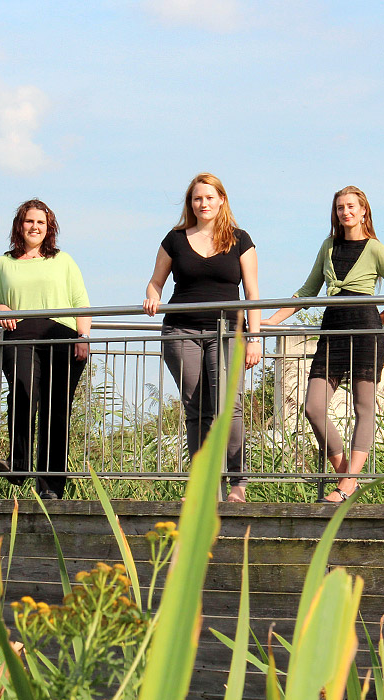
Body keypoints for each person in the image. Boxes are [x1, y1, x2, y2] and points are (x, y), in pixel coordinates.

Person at [265, 186, 384, 503]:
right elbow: (307, 291)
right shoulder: (328, 246)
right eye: (340, 207)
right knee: (313, 407)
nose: (345, 212)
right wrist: (271, 321)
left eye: (351, 206)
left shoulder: (375, 249)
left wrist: (377, 320)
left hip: (365, 334)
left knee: (363, 408)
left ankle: (347, 484)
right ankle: (348, 477)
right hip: (332, 333)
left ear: (363, 211)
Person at [143, 173, 261, 503]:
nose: (203, 203)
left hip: (227, 333)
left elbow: (252, 293)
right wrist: (152, 297)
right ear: (190, 203)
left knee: (229, 405)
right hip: (181, 331)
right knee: (196, 408)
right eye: (197, 198)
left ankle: (238, 482)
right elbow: (155, 282)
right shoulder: (175, 239)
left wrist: (255, 338)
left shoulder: (239, 239)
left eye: (209, 197)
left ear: (221, 200)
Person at [0, 199, 90, 500]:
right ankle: (18, 465)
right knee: (23, 393)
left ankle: (50, 487)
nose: (35, 227)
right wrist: (2, 309)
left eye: (41, 223)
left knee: (56, 409)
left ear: (49, 228)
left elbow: (81, 303)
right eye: (29, 221)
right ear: (20, 225)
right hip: (20, 335)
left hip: (62, 337)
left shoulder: (63, 261)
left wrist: (83, 336)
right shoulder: (4, 263)